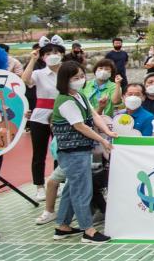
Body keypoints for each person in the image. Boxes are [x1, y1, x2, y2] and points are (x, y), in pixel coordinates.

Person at [50, 61, 117, 244]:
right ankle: (88, 231)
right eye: (75, 78)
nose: (80, 80)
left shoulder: (79, 95)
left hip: (81, 150)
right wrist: (102, 140)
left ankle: (62, 226)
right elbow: (79, 126)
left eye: (81, 76)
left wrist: (108, 132)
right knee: (82, 190)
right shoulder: (65, 101)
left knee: (72, 188)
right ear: (65, 80)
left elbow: (94, 115)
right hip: (72, 151)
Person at [21, 41, 65, 201]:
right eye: (47, 53)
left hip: (62, 116)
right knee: (38, 153)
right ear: (43, 57)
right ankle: (39, 187)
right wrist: (32, 60)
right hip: (40, 116)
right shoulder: (39, 73)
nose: (52, 56)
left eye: (56, 52)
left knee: (59, 151)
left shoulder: (67, 73)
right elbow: (25, 80)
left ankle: (57, 183)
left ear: (62, 55)